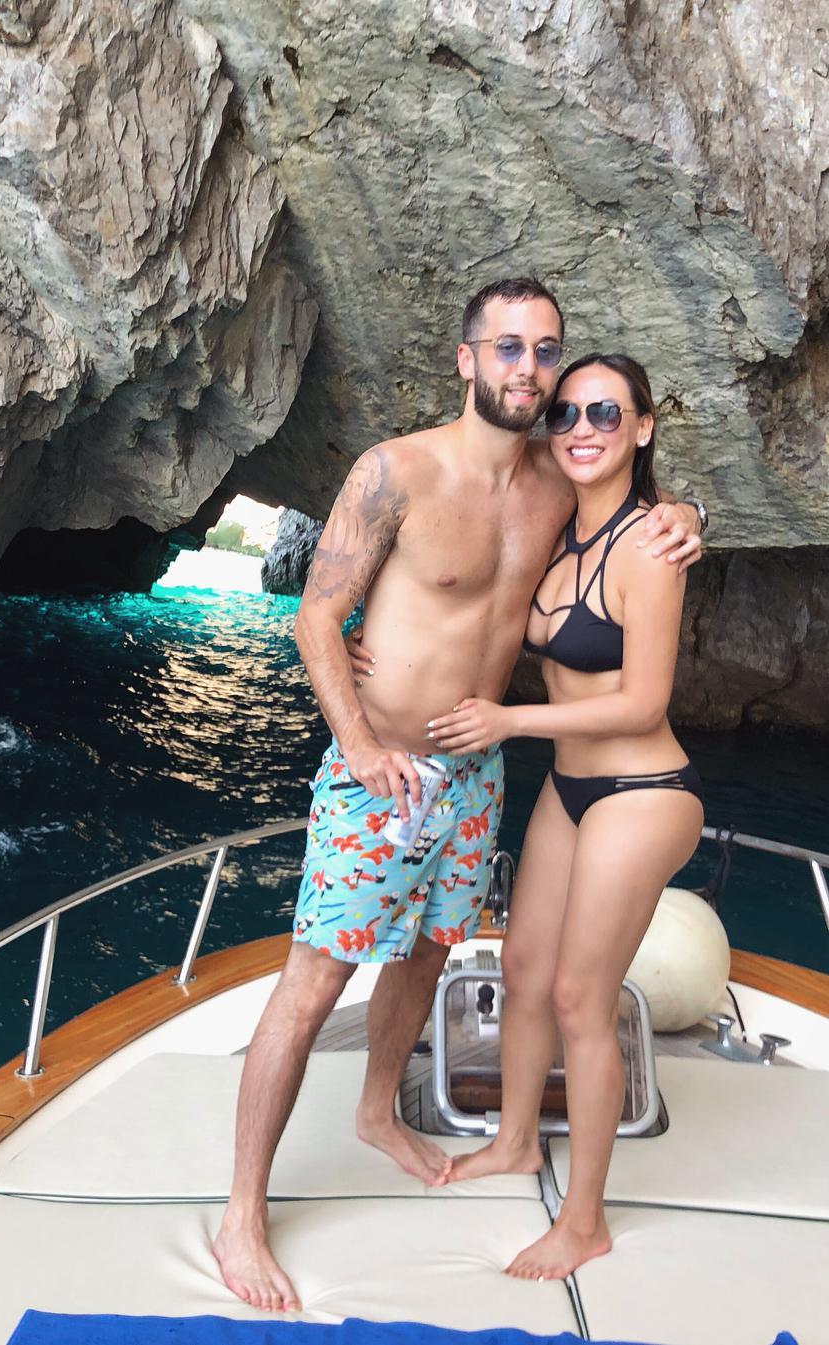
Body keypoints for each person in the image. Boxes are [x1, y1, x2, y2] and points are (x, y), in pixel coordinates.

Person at [212, 278, 703, 1313]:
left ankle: (377, 1110)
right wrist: (358, 746)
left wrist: (686, 516)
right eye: (508, 347)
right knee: (313, 982)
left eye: (546, 350)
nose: (530, 369)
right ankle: (242, 1212)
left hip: (477, 773)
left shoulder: (555, 483)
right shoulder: (395, 472)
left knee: (431, 950)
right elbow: (316, 619)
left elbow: (633, 502)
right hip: (380, 768)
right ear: (467, 359)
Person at [422, 352, 705, 1281]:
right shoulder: (554, 525)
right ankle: (514, 1142)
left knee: (583, 997)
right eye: (568, 413)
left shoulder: (649, 547)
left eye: (606, 413)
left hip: (643, 791)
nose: (583, 429)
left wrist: (509, 720)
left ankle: (584, 1221)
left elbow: (642, 701)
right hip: (570, 788)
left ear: (643, 428)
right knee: (523, 969)